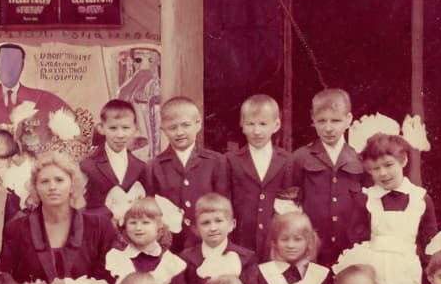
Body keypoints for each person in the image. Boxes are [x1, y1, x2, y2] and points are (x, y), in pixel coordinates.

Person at [0, 151, 119, 284]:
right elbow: (7, 282)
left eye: (59, 180)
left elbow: (109, 280)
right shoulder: (16, 229)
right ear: (35, 188)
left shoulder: (99, 227)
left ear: (72, 185)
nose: (52, 187)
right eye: (44, 182)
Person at [357, 133, 438, 284]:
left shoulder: (420, 198)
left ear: (403, 160)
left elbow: (429, 244)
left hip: (408, 271)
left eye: (388, 165)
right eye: (375, 168)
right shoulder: (367, 198)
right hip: (374, 270)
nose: (383, 173)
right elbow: (358, 240)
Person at [291, 88, 368, 266]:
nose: (328, 128)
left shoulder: (360, 159)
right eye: (321, 121)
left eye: (335, 120)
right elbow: (290, 204)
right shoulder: (300, 157)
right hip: (312, 248)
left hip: (351, 248)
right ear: (313, 119)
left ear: (348, 120)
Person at [143, 96, 228, 250]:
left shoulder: (216, 162)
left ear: (198, 124)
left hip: (209, 244)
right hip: (170, 248)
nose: (179, 132)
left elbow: (225, 207)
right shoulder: (154, 167)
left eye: (185, 125)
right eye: (172, 127)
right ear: (163, 129)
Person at [225, 94, 298, 261]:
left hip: (275, 244)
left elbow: (289, 203)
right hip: (241, 243)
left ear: (276, 125)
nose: (257, 131)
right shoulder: (231, 160)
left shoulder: (287, 160)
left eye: (263, 124)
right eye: (250, 124)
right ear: (242, 125)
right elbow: (225, 203)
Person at [178, 193, 257, 284]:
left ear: (232, 224)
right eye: (206, 223)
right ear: (196, 228)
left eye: (219, 221)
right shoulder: (186, 259)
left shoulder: (246, 258)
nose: (213, 228)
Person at [105, 195, 186, 284]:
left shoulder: (171, 263)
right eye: (132, 222)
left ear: (159, 226)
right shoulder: (117, 259)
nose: (138, 228)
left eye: (145, 222)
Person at [80, 99, 147, 216]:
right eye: (113, 128)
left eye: (126, 128)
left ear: (135, 128)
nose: (120, 135)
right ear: (101, 128)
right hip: (98, 229)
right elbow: (82, 206)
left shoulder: (141, 167)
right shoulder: (87, 165)